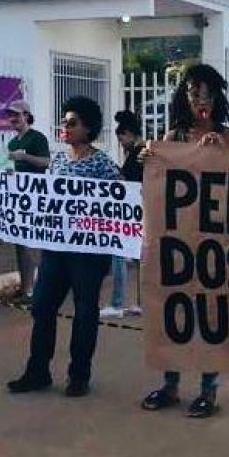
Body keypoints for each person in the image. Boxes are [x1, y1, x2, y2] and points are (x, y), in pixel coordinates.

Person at [140, 63, 229, 419]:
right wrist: (148, 162)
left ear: (216, 96)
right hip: (177, 240)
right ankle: (170, 384)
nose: (198, 98)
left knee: (209, 314)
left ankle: (208, 390)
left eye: (204, 92)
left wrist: (224, 156)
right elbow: (158, 188)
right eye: (191, 92)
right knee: (176, 312)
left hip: (214, 241)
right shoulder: (173, 139)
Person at [7, 96, 120, 398]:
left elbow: (122, 202)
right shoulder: (57, 160)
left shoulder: (103, 164)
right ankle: (37, 371)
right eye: (64, 122)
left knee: (85, 313)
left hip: (88, 254)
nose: (65, 127)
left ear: (89, 128)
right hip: (56, 251)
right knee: (43, 306)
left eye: (73, 123)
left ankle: (79, 375)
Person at [101, 111, 145, 319]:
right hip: (135, 211)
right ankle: (140, 302)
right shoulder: (138, 152)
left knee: (120, 254)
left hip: (133, 212)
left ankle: (118, 302)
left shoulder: (140, 152)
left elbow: (132, 181)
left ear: (129, 133)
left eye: (121, 139)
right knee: (137, 258)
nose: (121, 144)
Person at [5, 100, 50, 301]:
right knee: (19, 244)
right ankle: (25, 288)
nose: (13, 118)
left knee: (32, 244)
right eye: (10, 115)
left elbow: (46, 162)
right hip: (19, 198)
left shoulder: (37, 138)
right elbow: (17, 169)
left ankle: (38, 289)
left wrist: (25, 157)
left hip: (36, 196)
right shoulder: (12, 143)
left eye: (17, 114)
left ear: (26, 115)